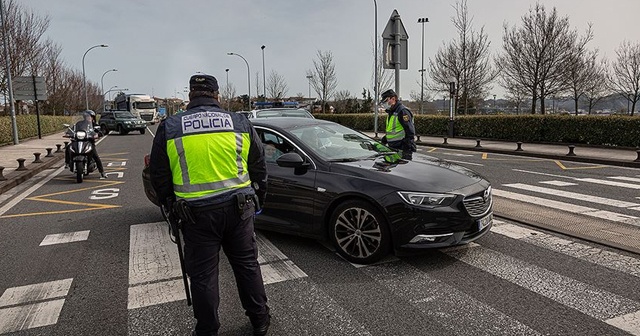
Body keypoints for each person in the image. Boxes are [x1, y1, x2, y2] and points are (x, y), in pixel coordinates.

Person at [149, 74, 270, 336]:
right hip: (239, 209)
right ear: (217, 95)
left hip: (196, 215)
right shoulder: (239, 121)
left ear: (191, 95)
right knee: (247, 266)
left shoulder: (171, 126)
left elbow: (159, 175)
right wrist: (259, 197)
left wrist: (170, 206)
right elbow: (258, 164)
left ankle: (207, 329)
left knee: (203, 276)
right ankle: (260, 320)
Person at [65, 110, 106, 179]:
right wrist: (68, 133)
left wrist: (99, 134)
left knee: (95, 156)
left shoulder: (94, 125)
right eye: (87, 116)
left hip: (89, 142)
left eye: (90, 117)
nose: (89, 118)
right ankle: (67, 163)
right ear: (84, 117)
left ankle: (102, 172)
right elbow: (72, 129)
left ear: (93, 118)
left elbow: (100, 131)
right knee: (68, 147)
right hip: (78, 140)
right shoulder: (79, 124)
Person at [379, 89, 416, 160]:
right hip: (394, 148)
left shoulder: (402, 111)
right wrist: (385, 139)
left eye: (386, 101)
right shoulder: (391, 112)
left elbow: (410, 132)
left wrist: (406, 149)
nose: (384, 104)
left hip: (402, 149)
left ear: (393, 99)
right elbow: (393, 131)